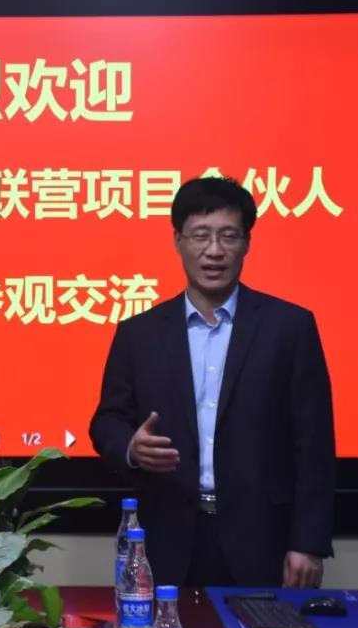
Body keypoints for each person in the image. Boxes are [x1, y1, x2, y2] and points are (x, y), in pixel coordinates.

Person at [89, 176, 336, 589]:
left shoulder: (289, 328)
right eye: (201, 235)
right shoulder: (139, 334)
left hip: (263, 539)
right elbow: (107, 420)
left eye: (229, 236)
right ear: (178, 241)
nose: (215, 250)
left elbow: (314, 445)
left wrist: (307, 543)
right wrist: (131, 447)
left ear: (247, 243)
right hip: (166, 535)